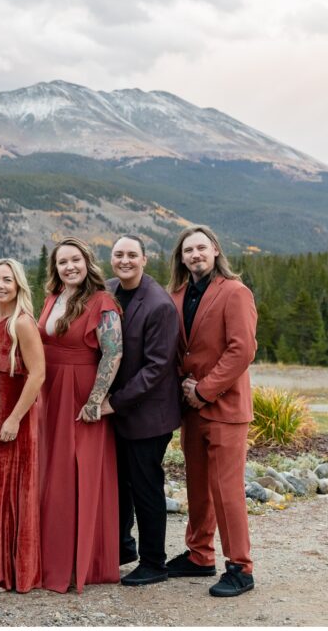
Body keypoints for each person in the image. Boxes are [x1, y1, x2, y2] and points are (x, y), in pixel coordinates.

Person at [166, 225, 257, 597]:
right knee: (198, 487)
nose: (195, 255)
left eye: (201, 248)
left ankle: (240, 567)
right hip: (191, 410)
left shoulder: (235, 292)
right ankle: (200, 556)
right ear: (181, 258)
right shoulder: (176, 295)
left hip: (224, 407)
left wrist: (203, 390)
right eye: (188, 250)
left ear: (215, 251)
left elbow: (242, 349)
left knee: (227, 491)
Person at [36, 236, 123, 593]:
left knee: (77, 473)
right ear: (54, 268)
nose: (69, 266)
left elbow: (113, 353)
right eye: (62, 262)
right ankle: (43, 557)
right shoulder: (53, 298)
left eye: (75, 260)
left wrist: (95, 400)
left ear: (87, 262)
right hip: (49, 390)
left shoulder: (102, 301)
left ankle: (77, 563)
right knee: (49, 471)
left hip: (80, 392)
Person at [104, 235, 182, 586]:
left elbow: (157, 368)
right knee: (118, 484)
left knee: (146, 488)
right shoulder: (106, 291)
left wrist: (113, 402)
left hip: (148, 416)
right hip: (116, 412)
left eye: (132, 255)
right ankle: (124, 547)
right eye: (119, 254)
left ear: (145, 260)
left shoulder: (159, 305)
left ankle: (154, 562)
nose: (125, 261)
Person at [0, 258, 45, 594]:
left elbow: (38, 374)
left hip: (15, 413)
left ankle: (14, 571)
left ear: (18, 285)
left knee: (13, 491)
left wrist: (15, 418)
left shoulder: (22, 323)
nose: (1, 285)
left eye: (7, 280)